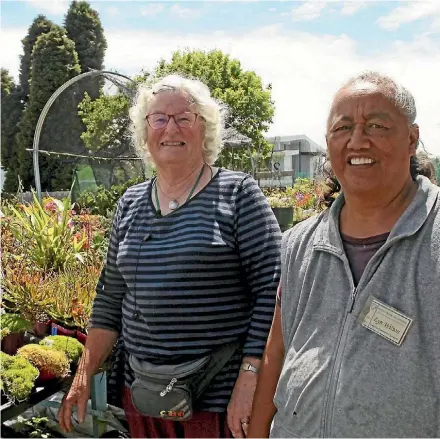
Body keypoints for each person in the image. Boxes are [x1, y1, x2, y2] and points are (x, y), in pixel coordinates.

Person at [58, 74, 281, 438]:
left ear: (204, 128)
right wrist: (84, 373)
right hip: (143, 393)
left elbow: (273, 293)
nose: (170, 128)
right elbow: (110, 297)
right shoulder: (130, 202)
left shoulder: (238, 194)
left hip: (216, 398)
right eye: (159, 118)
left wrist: (251, 378)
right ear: (145, 133)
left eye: (184, 118)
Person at [248, 71, 440, 438]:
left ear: (412, 139)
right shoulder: (298, 243)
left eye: (377, 126)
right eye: (343, 128)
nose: (357, 141)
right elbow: (277, 354)